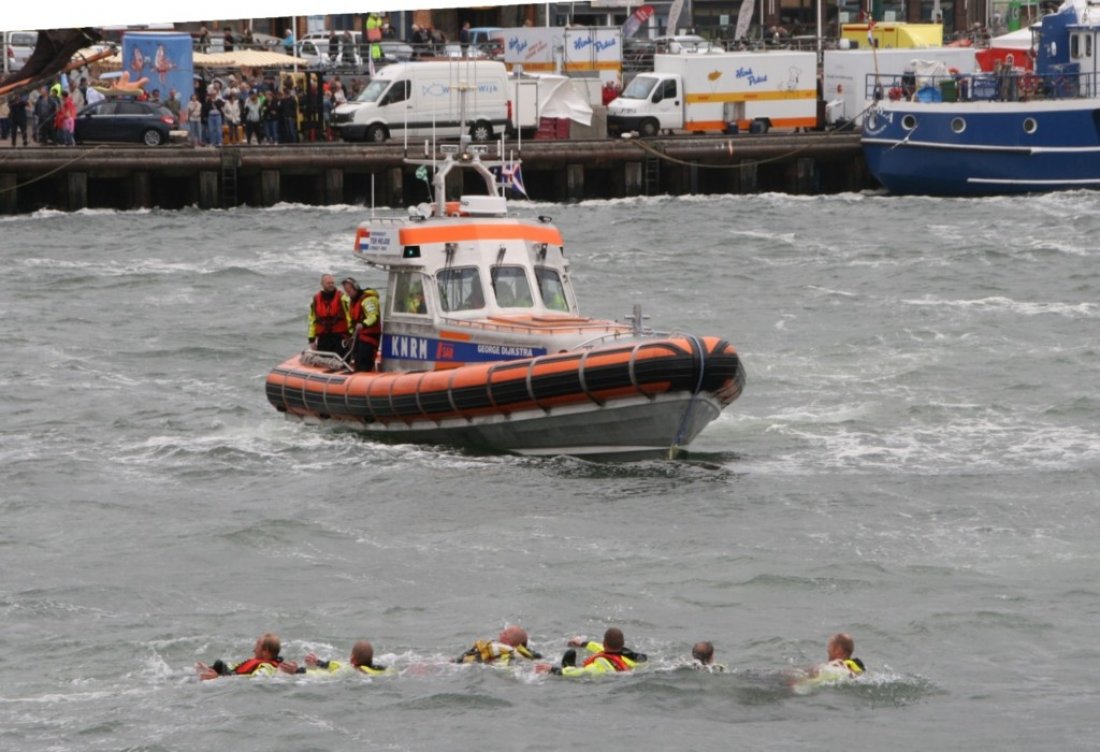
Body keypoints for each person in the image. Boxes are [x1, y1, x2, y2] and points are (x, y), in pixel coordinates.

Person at [195, 632, 298, 679]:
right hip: (229, 676)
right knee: (218, 664)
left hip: (230, 680)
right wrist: (209, 668)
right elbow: (233, 667)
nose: (254, 648)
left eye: (258, 644)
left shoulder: (267, 667)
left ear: (265, 652)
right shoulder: (252, 661)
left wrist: (217, 678)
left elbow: (253, 679)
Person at [552, 627, 647, 677]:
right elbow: (601, 649)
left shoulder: (601, 664)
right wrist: (583, 643)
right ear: (623, 643)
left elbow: (580, 672)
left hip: (599, 677)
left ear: (604, 642)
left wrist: (553, 669)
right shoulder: (631, 659)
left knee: (570, 654)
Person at [791, 632, 865, 693]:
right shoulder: (857, 664)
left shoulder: (838, 665)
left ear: (838, 650)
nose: (828, 650)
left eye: (830, 646)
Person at [344, 278, 381, 372]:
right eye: (346, 291)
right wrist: (350, 335)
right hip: (359, 337)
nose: (348, 293)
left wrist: (363, 324)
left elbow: (373, 317)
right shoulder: (353, 301)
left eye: (349, 290)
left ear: (355, 288)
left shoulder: (368, 299)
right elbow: (352, 321)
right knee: (357, 360)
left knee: (365, 361)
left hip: (369, 338)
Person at [308, 273, 351, 354]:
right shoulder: (316, 299)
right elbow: (312, 320)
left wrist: (351, 335)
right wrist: (311, 339)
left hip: (340, 336)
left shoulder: (342, 297)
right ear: (322, 284)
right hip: (323, 337)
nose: (331, 285)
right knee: (323, 361)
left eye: (332, 283)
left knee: (341, 361)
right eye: (328, 283)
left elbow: (349, 317)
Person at [455, 626, 542, 666]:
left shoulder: (500, 653)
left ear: (508, 641)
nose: (500, 634)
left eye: (504, 634)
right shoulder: (528, 655)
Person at [299, 640, 393, 676]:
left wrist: (315, 662)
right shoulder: (382, 670)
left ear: (352, 659)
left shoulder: (347, 669)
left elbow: (322, 672)